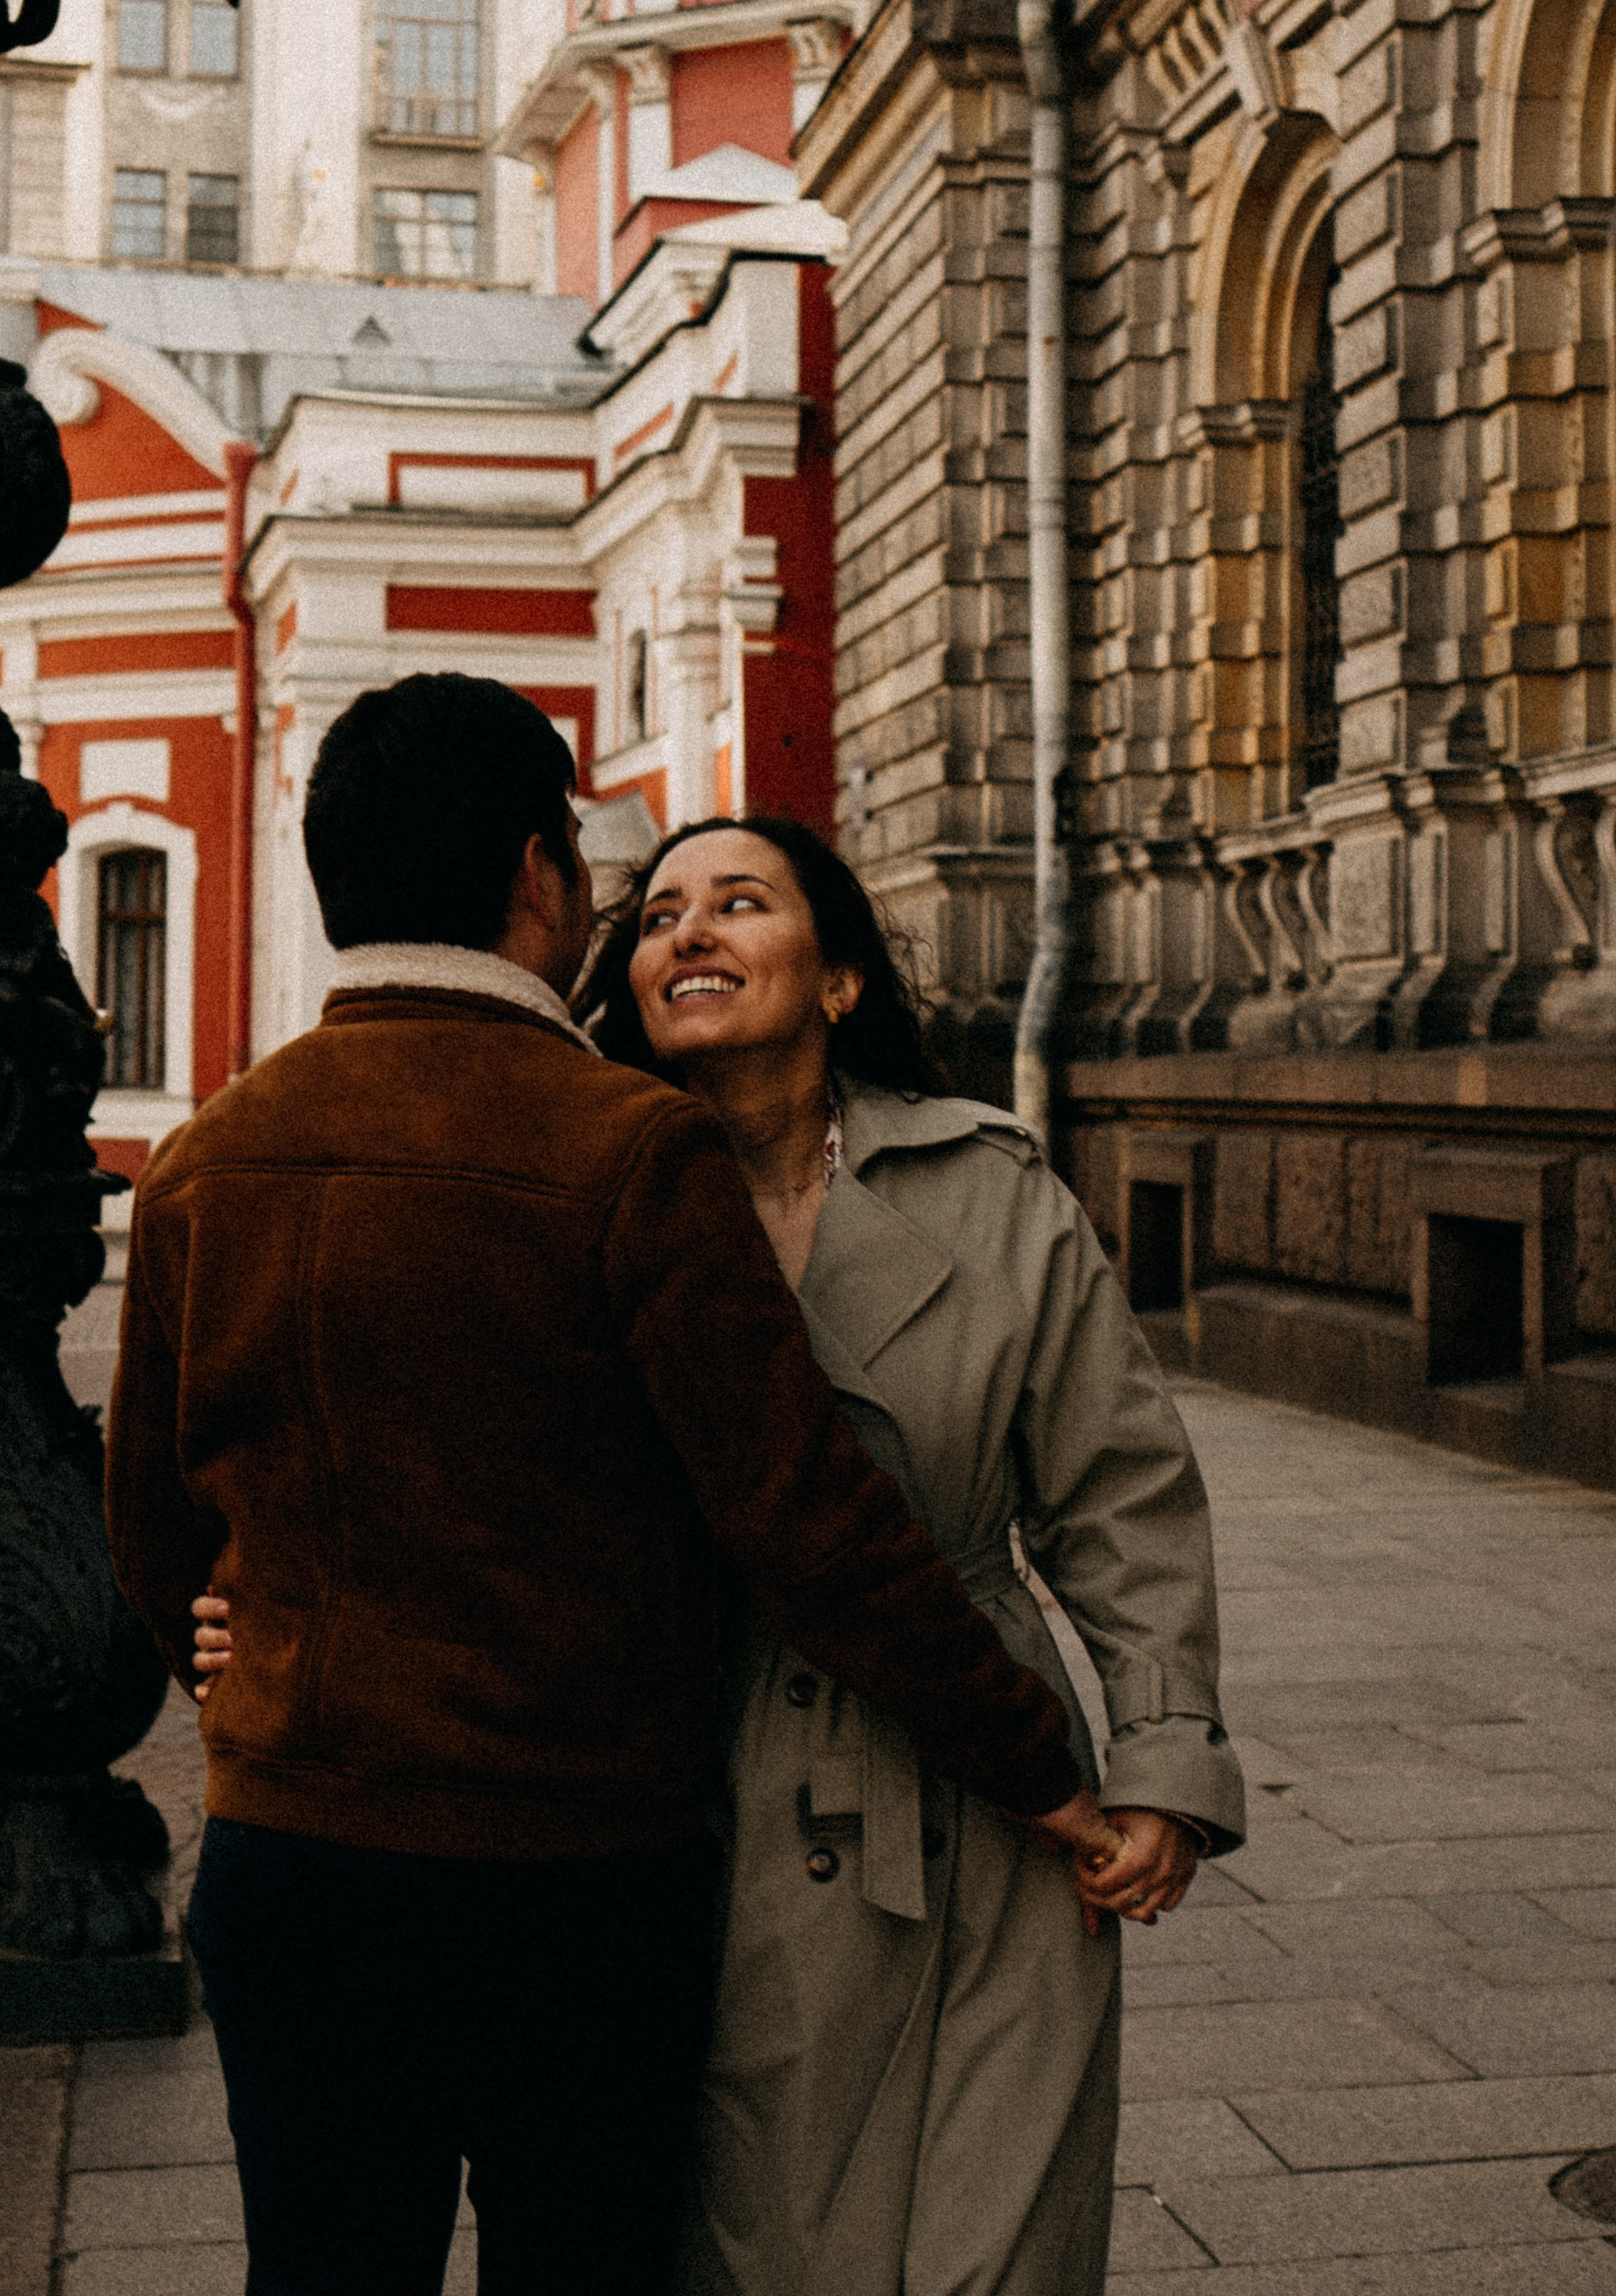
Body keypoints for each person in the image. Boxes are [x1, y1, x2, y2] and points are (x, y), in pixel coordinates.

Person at [107, 674, 1108, 2296]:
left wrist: (227, 1656)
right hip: (566, 1884)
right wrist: (1032, 1758)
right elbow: (803, 1516)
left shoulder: (208, 1156)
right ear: (533, 877)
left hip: (296, 1858)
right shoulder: (629, 1149)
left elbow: (152, 1529)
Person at [584, 814, 1247, 2296]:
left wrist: (1162, 1756)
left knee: (993, 2244)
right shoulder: (583, 1200)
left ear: (835, 982)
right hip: (699, 1794)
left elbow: (1118, 1491)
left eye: (738, 904)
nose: (686, 933)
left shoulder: (989, 1191)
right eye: (657, 917)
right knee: (751, 2245)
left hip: (990, 1787)